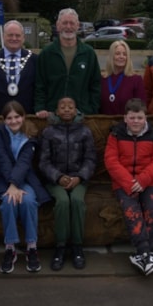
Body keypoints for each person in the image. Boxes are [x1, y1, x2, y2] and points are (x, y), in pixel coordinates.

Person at [0, 101, 51, 273]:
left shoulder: (30, 134)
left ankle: (31, 246)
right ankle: (10, 247)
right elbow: (1, 158)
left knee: (29, 201)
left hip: (26, 178)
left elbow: (24, 163)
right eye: (9, 118)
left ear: (23, 117)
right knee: (9, 202)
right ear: (4, 120)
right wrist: (11, 186)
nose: (14, 121)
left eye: (17, 116)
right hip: (3, 178)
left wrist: (15, 184)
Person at [104, 98, 153, 276]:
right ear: (125, 118)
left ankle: (145, 253)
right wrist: (130, 182)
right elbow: (111, 161)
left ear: (145, 117)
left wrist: (143, 180)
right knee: (132, 210)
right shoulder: (115, 134)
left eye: (139, 117)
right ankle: (144, 251)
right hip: (124, 182)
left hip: (148, 181)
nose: (136, 121)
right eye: (132, 117)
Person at [39, 97, 96, 271]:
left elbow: (90, 159)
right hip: (55, 180)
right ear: (56, 111)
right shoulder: (48, 132)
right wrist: (58, 177)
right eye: (62, 107)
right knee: (63, 202)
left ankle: (77, 247)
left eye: (70, 107)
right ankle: (60, 247)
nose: (66, 110)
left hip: (79, 179)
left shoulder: (85, 132)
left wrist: (79, 177)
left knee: (77, 202)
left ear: (76, 110)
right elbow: (43, 162)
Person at [34, 8, 101, 117]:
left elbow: (95, 85)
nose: (68, 27)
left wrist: (92, 109)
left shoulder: (88, 53)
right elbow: (40, 85)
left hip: (82, 114)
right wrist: (40, 108)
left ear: (77, 25)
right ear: (58, 25)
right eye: (65, 23)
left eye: (72, 23)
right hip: (52, 114)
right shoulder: (46, 53)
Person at [0, 20, 37, 115]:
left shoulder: (34, 60)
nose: (14, 38)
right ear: (3, 37)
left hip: (27, 116)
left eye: (17, 35)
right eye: (10, 35)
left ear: (23, 38)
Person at [99, 40, 147, 115]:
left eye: (124, 54)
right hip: (104, 123)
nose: (121, 57)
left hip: (126, 124)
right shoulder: (102, 79)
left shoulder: (136, 80)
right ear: (111, 56)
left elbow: (140, 108)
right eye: (117, 54)